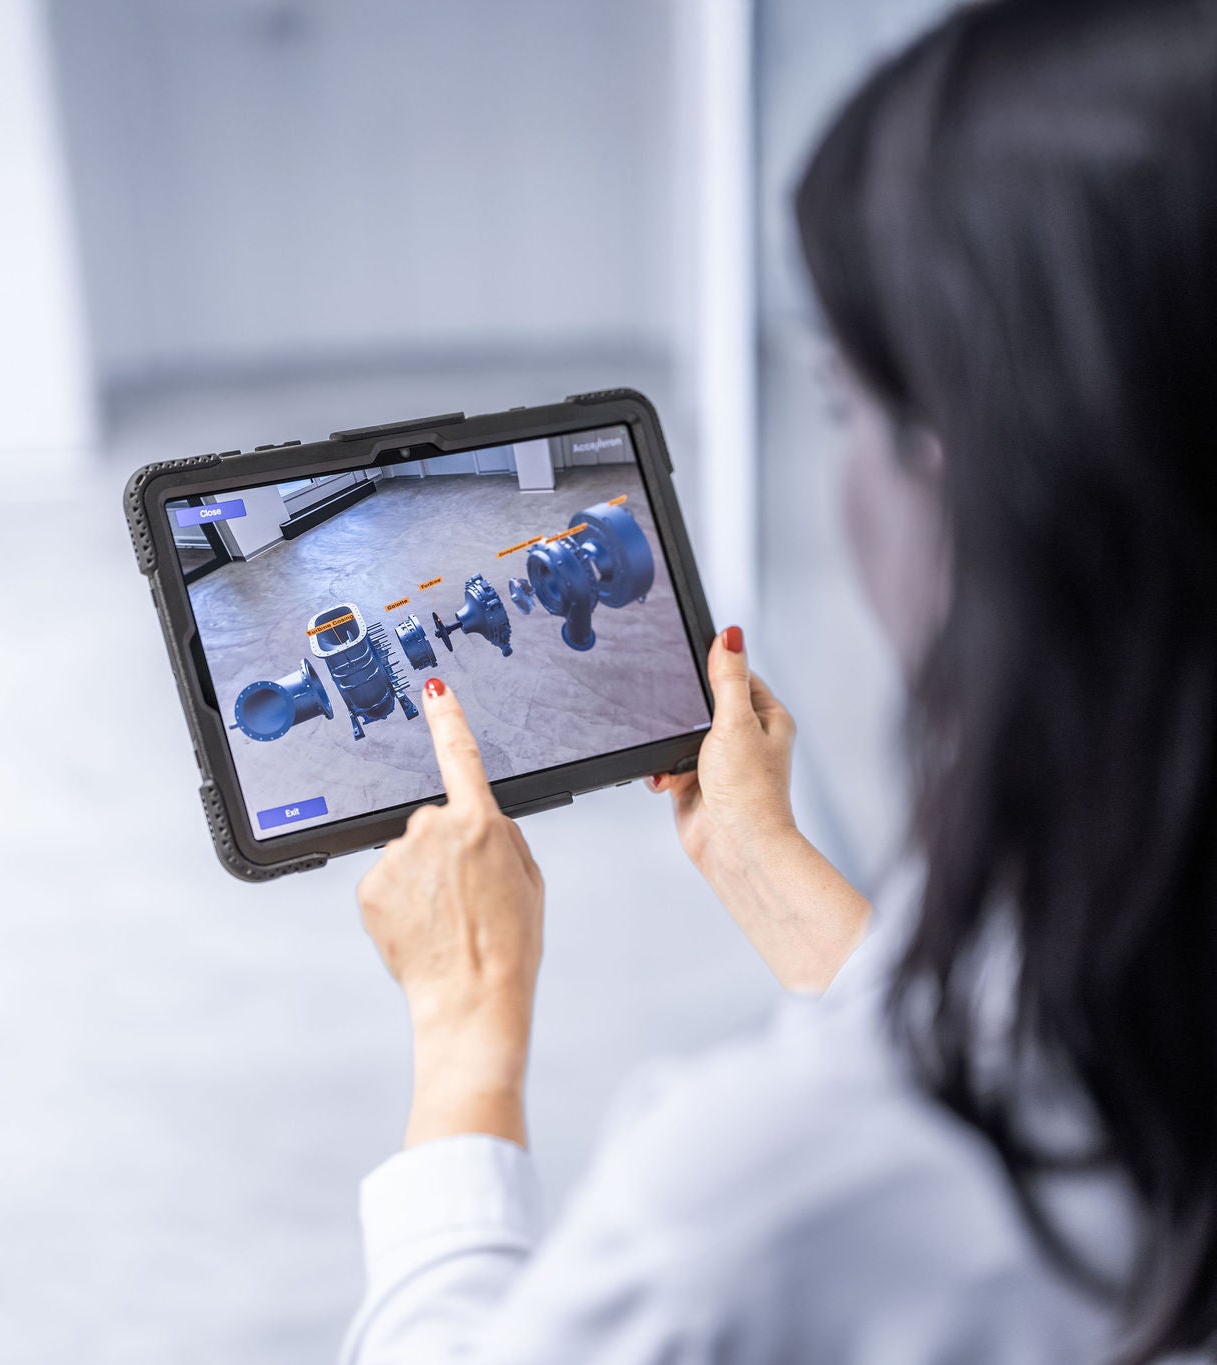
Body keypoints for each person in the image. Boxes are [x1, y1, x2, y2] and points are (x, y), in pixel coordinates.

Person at [341, 1, 1217, 1360]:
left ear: (971, 467)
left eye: (839, 403)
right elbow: (1019, 1046)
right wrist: (760, 859)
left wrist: (464, 1032)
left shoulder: (752, 1202)